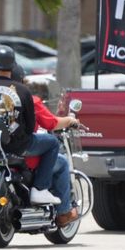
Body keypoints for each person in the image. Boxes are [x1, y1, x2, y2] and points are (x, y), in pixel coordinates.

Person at [0, 46, 60, 206]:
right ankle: (40, 189)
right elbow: (29, 126)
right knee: (53, 143)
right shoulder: (23, 91)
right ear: (13, 66)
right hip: (16, 147)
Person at [15, 64, 79, 227]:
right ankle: (64, 212)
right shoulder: (29, 99)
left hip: (2, 151)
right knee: (62, 161)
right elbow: (51, 123)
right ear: (22, 79)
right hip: (26, 154)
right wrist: (71, 120)